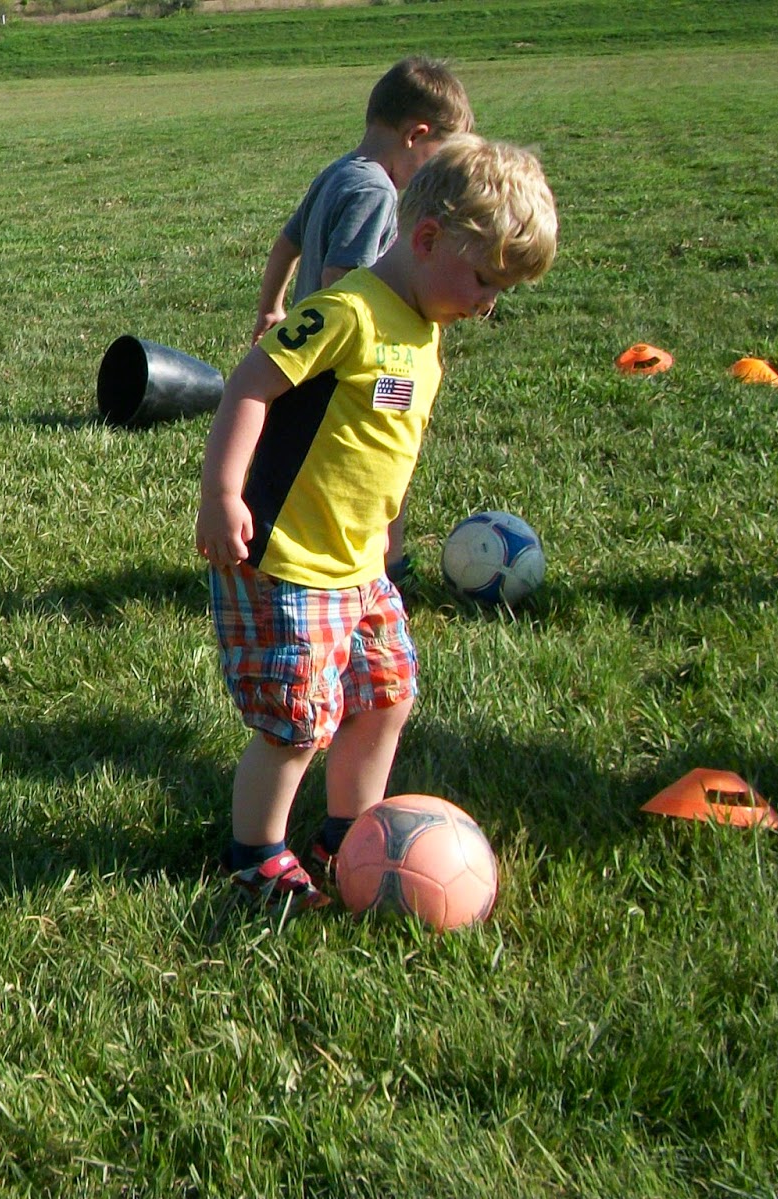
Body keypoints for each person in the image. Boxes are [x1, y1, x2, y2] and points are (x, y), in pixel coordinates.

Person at [196, 136, 557, 920]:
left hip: (359, 565)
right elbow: (251, 385)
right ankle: (255, 855)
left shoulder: (425, 326)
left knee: (386, 692)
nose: (489, 303)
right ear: (427, 239)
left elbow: (387, 442)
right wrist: (222, 494)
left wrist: (389, 535)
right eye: (485, 279)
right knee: (296, 722)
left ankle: (347, 832)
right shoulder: (349, 310)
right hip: (290, 556)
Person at [250, 56, 474, 584]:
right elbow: (342, 277)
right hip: (349, 369)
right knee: (382, 454)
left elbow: (286, 244)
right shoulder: (376, 190)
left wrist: (271, 307)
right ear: (417, 134)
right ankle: (386, 566)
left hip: (310, 359)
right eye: (441, 160)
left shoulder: (338, 171)